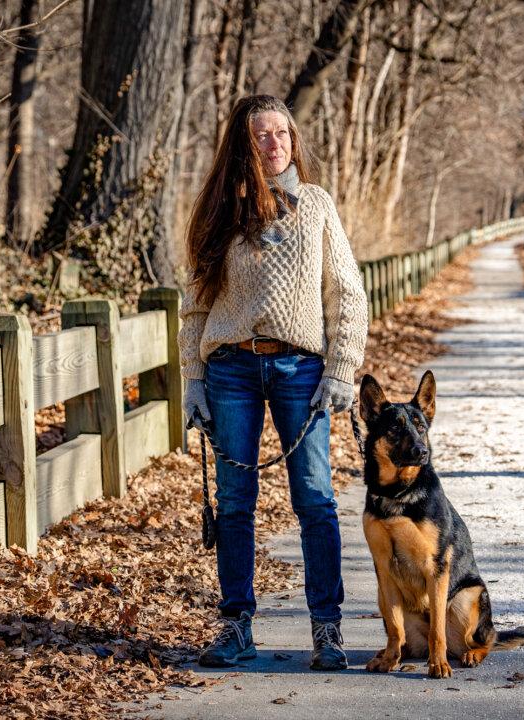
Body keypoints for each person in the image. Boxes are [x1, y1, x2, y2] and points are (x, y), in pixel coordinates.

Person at [178, 95, 368, 671]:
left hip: (299, 369)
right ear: (242, 142)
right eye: (261, 135)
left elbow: (348, 293)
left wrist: (341, 370)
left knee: (315, 498)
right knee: (235, 503)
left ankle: (327, 631)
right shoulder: (218, 212)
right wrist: (193, 381)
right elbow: (194, 308)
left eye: (282, 133)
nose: (275, 143)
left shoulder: (315, 205)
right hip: (231, 369)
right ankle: (236, 628)